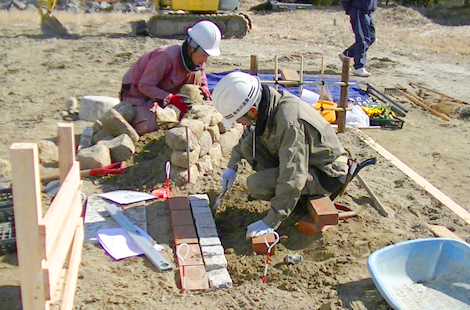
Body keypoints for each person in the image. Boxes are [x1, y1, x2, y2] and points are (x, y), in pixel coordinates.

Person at [212, 71, 349, 239]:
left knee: (257, 185)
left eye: (239, 118)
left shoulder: (289, 122)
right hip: (308, 161)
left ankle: (296, 203)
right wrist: (232, 167)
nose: (238, 123)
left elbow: (293, 173)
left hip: (327, 172)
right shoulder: (267, 104)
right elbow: (246, 139)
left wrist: (271, 221)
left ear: (253, 111)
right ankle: (294, 197)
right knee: (249, 145)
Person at [119, 20, 221, 135]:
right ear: (192, 48)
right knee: (146, 127)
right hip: (137, 92)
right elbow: (144, 86)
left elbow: (201, 77)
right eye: (204, 55)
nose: (205, 60)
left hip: (161, 87)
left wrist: (205, 89)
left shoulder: (196, 60)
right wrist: (170, 98)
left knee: (195, 76)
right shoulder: (165, 57)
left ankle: (186, 115)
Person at [339, 0, 377, 77]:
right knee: (363, 39)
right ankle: (359, 67)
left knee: (371, 38)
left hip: (369, 12)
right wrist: (350, 10)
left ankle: (347, 55)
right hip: (359, 11)